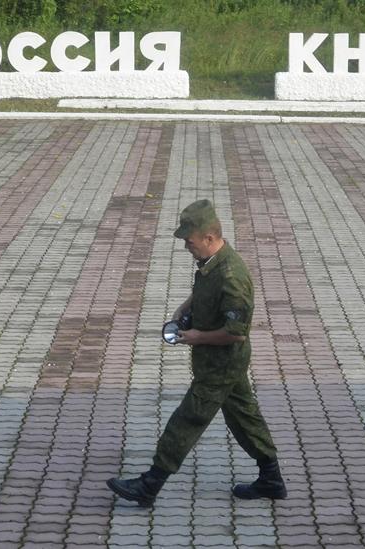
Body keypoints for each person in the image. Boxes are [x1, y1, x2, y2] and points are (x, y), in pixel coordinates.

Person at [107, 199, 287, 507]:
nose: (187, 248)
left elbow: (236, 333)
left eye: (190, 243)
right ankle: (271, 480)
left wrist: (197, 336)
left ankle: (149, 485)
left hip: (222, 363)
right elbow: (203, 288)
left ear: (209, 237)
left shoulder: (232, 276)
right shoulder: (212, 263)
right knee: (245, 417)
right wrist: (184, 308)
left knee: (187, 419)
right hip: (219, 362)